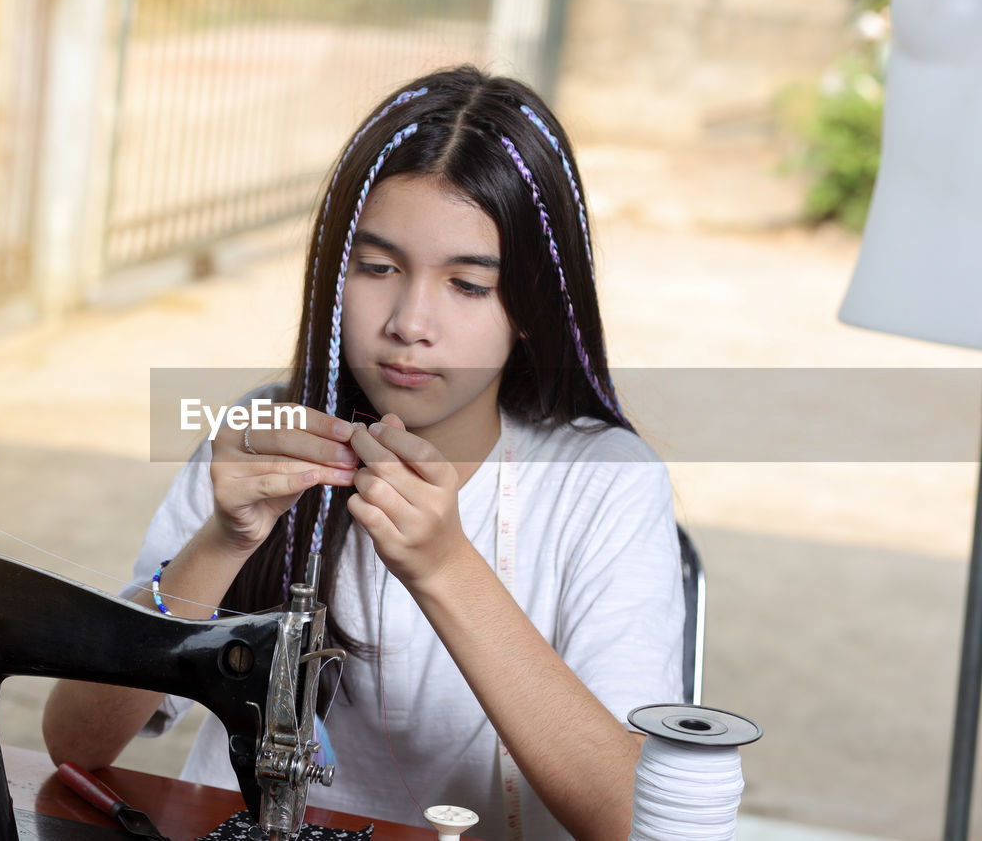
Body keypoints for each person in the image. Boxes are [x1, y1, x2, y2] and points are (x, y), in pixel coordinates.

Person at [43, 65, 684, 841]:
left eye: (468, 285)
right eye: (378, 268)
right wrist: (225, 539)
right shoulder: (261, 436)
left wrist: (445, 566)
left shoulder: (606, 483)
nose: (411, 322)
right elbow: (74, 744)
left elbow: (634, 819)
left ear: (534, 307)